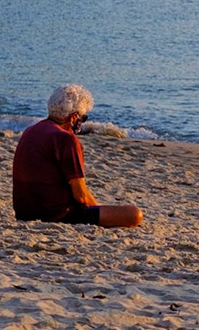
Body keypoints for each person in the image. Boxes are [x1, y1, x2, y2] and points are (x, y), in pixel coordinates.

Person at [12, 84, 143, 227]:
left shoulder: (31, 131)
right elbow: (80, 196)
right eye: (83, 118)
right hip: (55, 214)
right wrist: (97, 209)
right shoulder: (66, 139)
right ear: (74, 117)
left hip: (24, 212)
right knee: (134, 214)